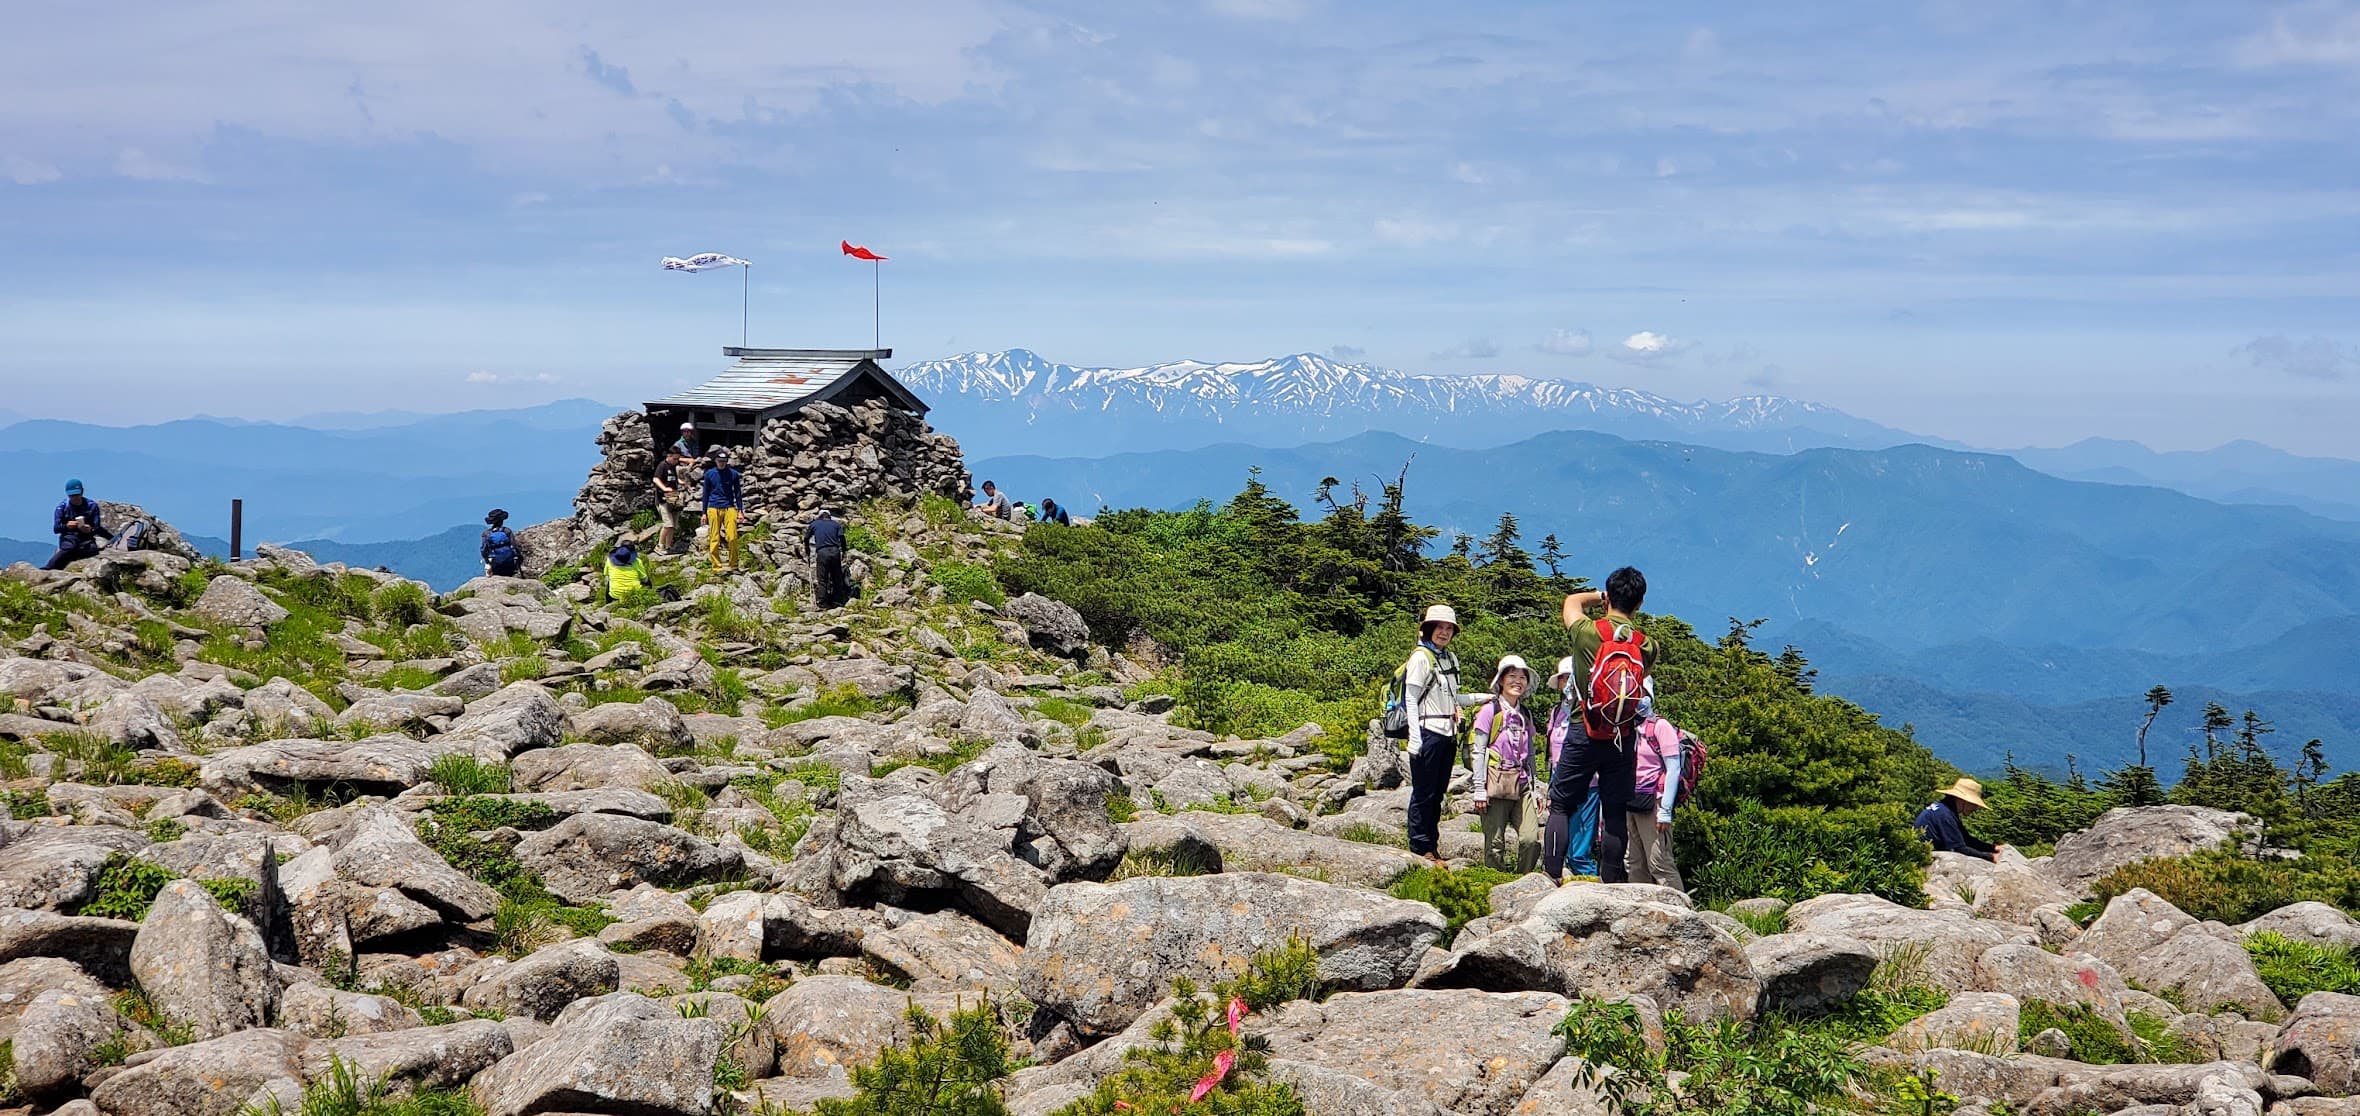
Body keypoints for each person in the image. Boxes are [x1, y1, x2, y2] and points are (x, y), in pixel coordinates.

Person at [1543, 567, 1655, 884]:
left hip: (1583, 728)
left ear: (1608, 598)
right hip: (1622, 736)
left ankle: (1550, 875)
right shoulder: (1646, 645)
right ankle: (1611, 881)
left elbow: (1571, 602)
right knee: (1615, 810)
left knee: (1562, 804)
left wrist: (1598, 596)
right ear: (1640, 603)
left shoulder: (1587, 632)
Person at [1400, 604, 1487, 864]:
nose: (1444, 632)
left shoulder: (1449, 659)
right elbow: (1411, 698)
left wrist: (1483, 698)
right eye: (1440, 627)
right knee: (1424, 793)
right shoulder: (1420, 658)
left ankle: (1431, 846)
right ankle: (1419, 846)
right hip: (1428, 732)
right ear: (1428, 629)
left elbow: (1453, 696)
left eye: (1449, 628)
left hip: (1446, 735)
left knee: (1437, 793)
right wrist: (1414, 738)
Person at [1471, 655, 1542, 874]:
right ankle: (1496, 881)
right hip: (1495, 782)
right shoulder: (1489, 711)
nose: (1518, 681)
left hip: (1521, 784)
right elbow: (1479, 750)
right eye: (1512, 676)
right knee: (1494, 844)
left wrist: (1536, 788)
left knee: (1531, 839)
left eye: (1522, 677)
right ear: (1501, 680)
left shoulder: (1525, 715)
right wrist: (1479, 790)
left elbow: (1529, 754)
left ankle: (1523, 879)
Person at [1542, 655, 1602, 880]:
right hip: (1561, 782)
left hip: (1589, 785)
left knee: (1579, 850)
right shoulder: (1556, 712)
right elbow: (1552, 752)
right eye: (1564, 678)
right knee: (1565, 845)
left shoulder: (1591, 711)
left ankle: (1593, 887)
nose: (1567, 683)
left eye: (1572, 678)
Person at [1625, 681, 1686, 891]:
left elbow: (1674, 768)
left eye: (1640, 693)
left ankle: (1680, 912)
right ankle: (1641, 909)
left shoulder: (1660, 726)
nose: (1636, 698)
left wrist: (1666, 812)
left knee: (1659, 863)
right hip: (1632, 800)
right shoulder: (1629, 726)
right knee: (1635, 862)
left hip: (1654, 802)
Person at [1915, 778, 2006, 862]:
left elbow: (1966, 839)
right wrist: (1991, 857)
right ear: (1962, 800)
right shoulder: (1945, 815)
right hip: (1925, 858)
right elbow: (1959, 848)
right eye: (1973, 803)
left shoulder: (1945, 808)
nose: (1976, 808)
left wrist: (1993, 848)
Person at [44, 479, 112, 571]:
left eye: (77, 494)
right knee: (69, 547)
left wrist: (90, 529)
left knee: (92, 550)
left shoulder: (91, 506)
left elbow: (97, 527)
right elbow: (56, 529)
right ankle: (48, 568)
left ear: (82, 492)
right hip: (69, 537)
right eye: (72, 495)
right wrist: (67, 526)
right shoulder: (62, 507)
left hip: (86, 538)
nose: (75, 497)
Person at [701, 450, 744, 572]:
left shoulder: (733, 474)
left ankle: (733, 564)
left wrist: (740, 510)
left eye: (724, 461)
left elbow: (738, 493)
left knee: (732, 537)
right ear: (716, 461)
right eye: (720, 461)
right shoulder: (709, 474)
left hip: (729, 506)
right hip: (713, 507)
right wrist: (703, 513)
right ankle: (716, 566)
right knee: (714, 538)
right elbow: (705, 494)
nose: (722, 463)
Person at [807, 508, 850, 608]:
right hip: (835, 552)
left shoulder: (815, 524)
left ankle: (822, 602)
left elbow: (806, 538)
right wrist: (844, 551)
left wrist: (807, 551)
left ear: (820, 516)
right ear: (829, 516)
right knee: (837, 577)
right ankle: (837, 600)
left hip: (822, 552)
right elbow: (842, 538)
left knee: (822, 578)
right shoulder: (835, 524)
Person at [652, 447, 689, 553]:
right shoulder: (662, 466)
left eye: (678, 459)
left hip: (674, 499)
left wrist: (680, 482)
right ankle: (659, 546)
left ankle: (668, 547)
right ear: (669, 456)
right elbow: (656, 479)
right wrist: (664, 488)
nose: (676, 461)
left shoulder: (673, 466)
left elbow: (672, 478)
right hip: (663, 500)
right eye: (675, 459)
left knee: (673, 525)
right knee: (668, 524)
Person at [480, 509, 523, 577]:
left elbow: (484, 549)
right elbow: (514, 546)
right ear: (502, 521)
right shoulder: (507, 531)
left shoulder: (486, 533)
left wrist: (487, 561)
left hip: (495, 563)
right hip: (509, 562)